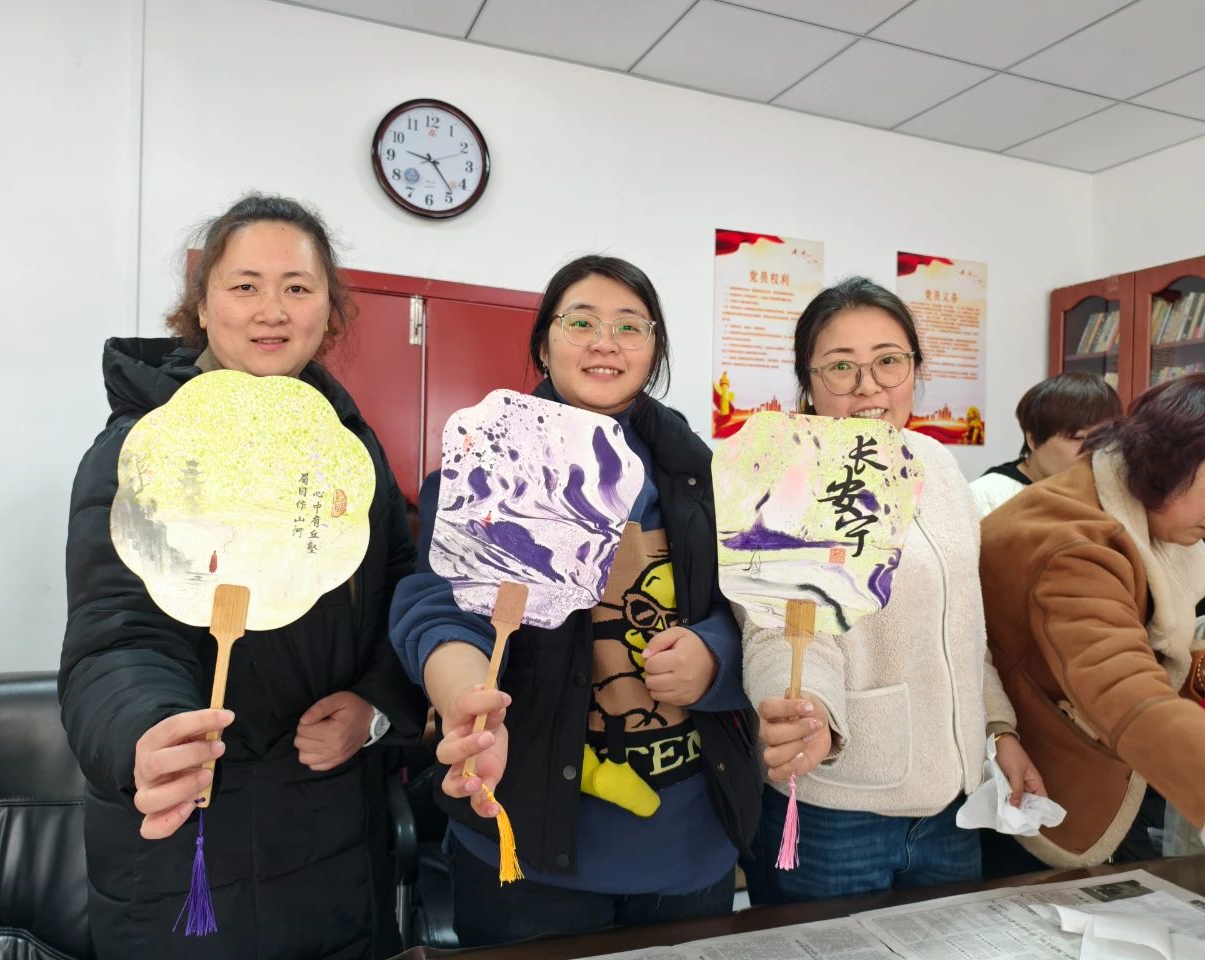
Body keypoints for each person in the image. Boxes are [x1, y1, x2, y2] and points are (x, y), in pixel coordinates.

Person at [60, 194, 423, 960]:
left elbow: (401, 595)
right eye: (245, 285)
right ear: (202, 305)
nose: (272, 310)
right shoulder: (138, 449)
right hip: (187, 845)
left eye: (298, 287)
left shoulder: (348, 451)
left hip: (336, 838)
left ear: (329, 311)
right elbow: (115, 640)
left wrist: (376, 706)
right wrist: (147, 733)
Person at [390, 255, 760, 946]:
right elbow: (439, 606)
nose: (605, 343)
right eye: (581, 322)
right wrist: (466, 695)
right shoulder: (489, 465)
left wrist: (714, 657)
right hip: (523, 845)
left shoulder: (703, 475)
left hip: (690, 846)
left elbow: (756, 611)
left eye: (630, 326)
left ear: (654, 349)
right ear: (543, 344)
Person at [739, 276, 1044, 905]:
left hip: (953, 802)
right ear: (808, 380)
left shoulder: (940, 465)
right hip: (841, 807)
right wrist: (806, 711)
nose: (868, 385)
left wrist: (999, 732)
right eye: (840, 366)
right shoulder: (786, 475)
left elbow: (965, 626)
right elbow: (779, 630)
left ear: (914, 369)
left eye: (887, 361)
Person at [981, 374, 1205, 868]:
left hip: (1107, 765)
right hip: (1042, 790)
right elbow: (1123, 688)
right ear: (1170, 463)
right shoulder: (1070, 542)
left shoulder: (1147, 511)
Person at [969, 372, 1121, 519]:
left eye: (1102, 439)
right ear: (1033, 440)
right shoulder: (987, 496)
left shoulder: (1111, 491)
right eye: (1077, 438)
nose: (1093, 450)